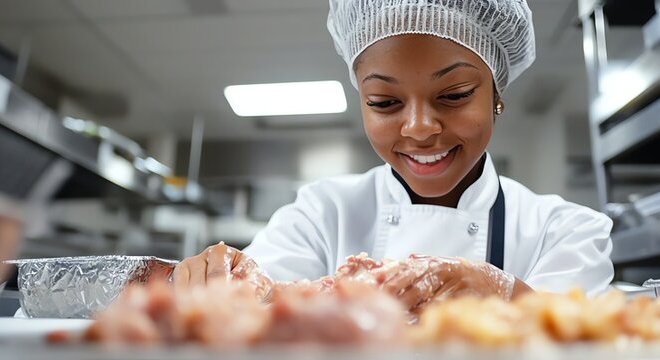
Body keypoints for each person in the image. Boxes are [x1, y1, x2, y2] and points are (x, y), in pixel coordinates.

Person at [173, 0, 613, 309]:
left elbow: (583, 334)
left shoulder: (565, 232)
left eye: (455, 95)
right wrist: (218, 279)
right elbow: (253, 296)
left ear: (497, 94)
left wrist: (502, 292)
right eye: (384, 102)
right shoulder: (323, 214)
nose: (419, 127)